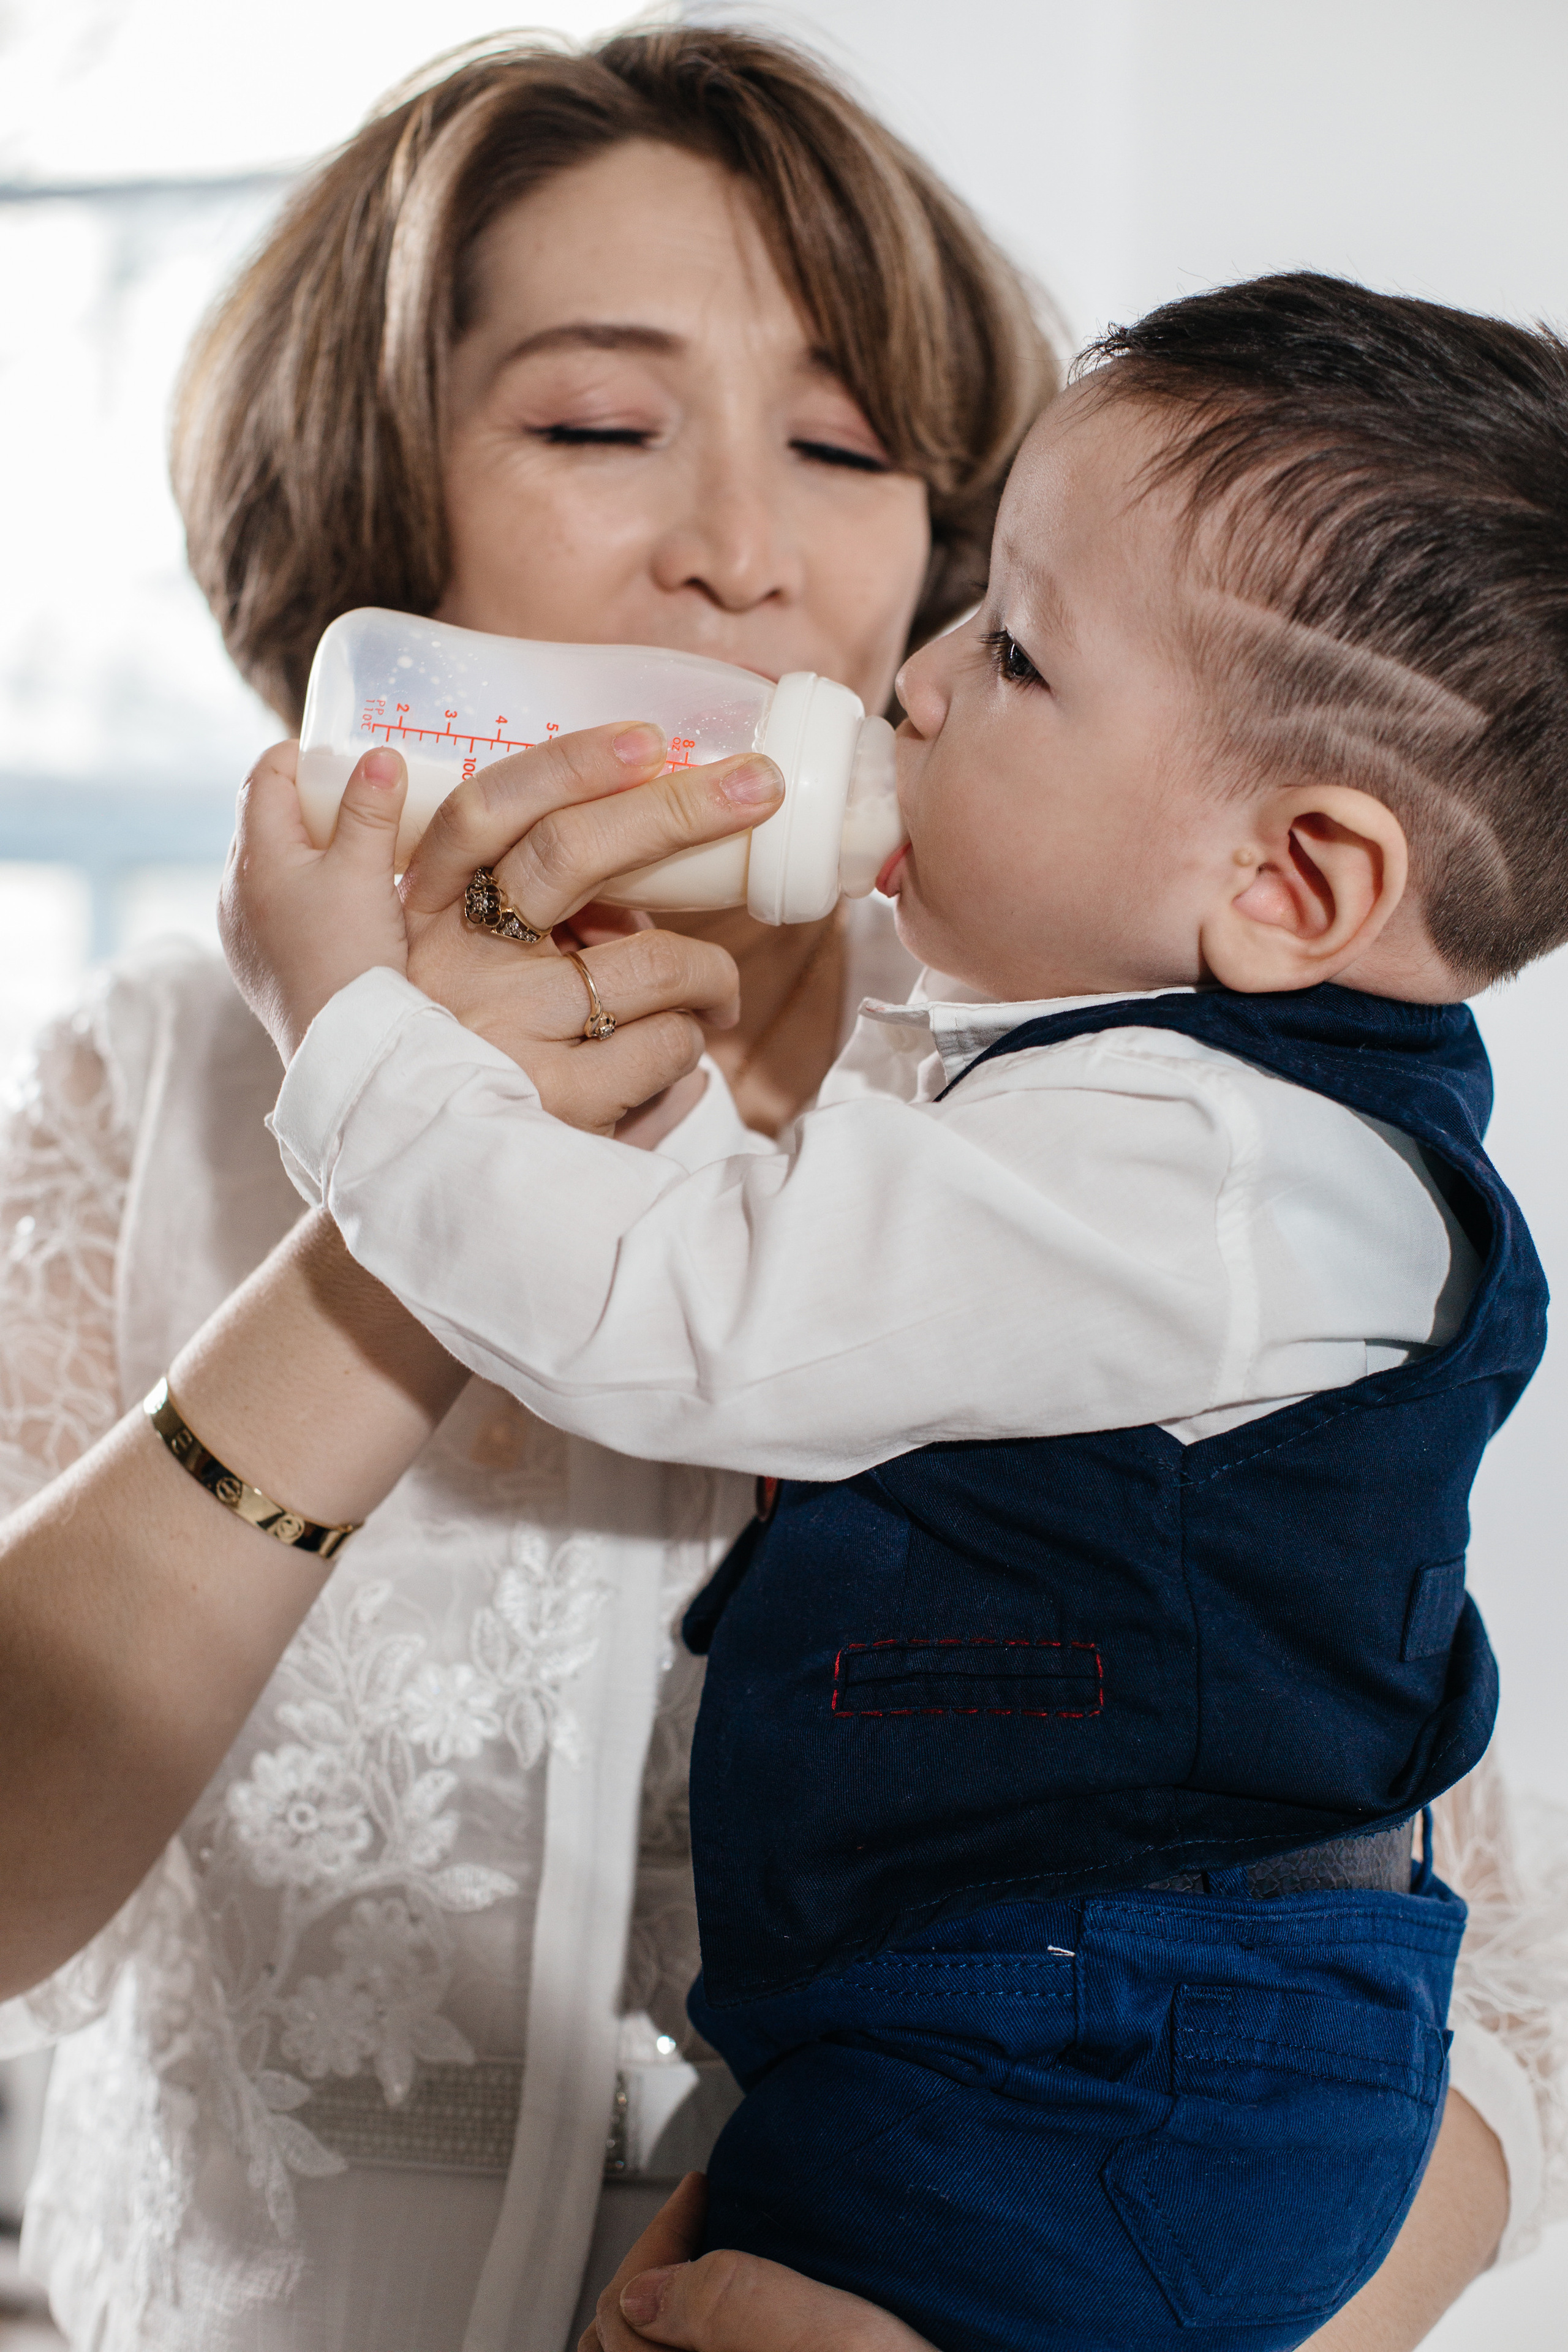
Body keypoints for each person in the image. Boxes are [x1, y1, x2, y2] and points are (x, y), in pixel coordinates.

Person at [0, 21, 1543, 2351]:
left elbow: (1472, 2024)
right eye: (601, 428)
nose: (746, 553)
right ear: (371, 521)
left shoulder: (1137, 1154)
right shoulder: (152, 1093)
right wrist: (401, 1151)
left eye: (851, 450)